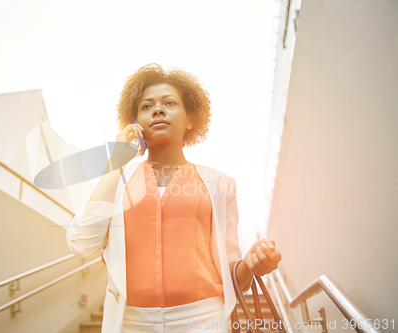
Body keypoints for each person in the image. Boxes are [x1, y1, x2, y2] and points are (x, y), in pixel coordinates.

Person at [66, 63, 282, 333]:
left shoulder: (220, 184)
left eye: (169, 102)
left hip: (204, 320)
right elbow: (82, 244)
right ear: (135, 123)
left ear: (190, 118)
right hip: (131, 323)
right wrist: (116, 161)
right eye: (146, 106)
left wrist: (250, 263)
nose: (157, 109)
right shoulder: (116, 179)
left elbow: (233, 276)